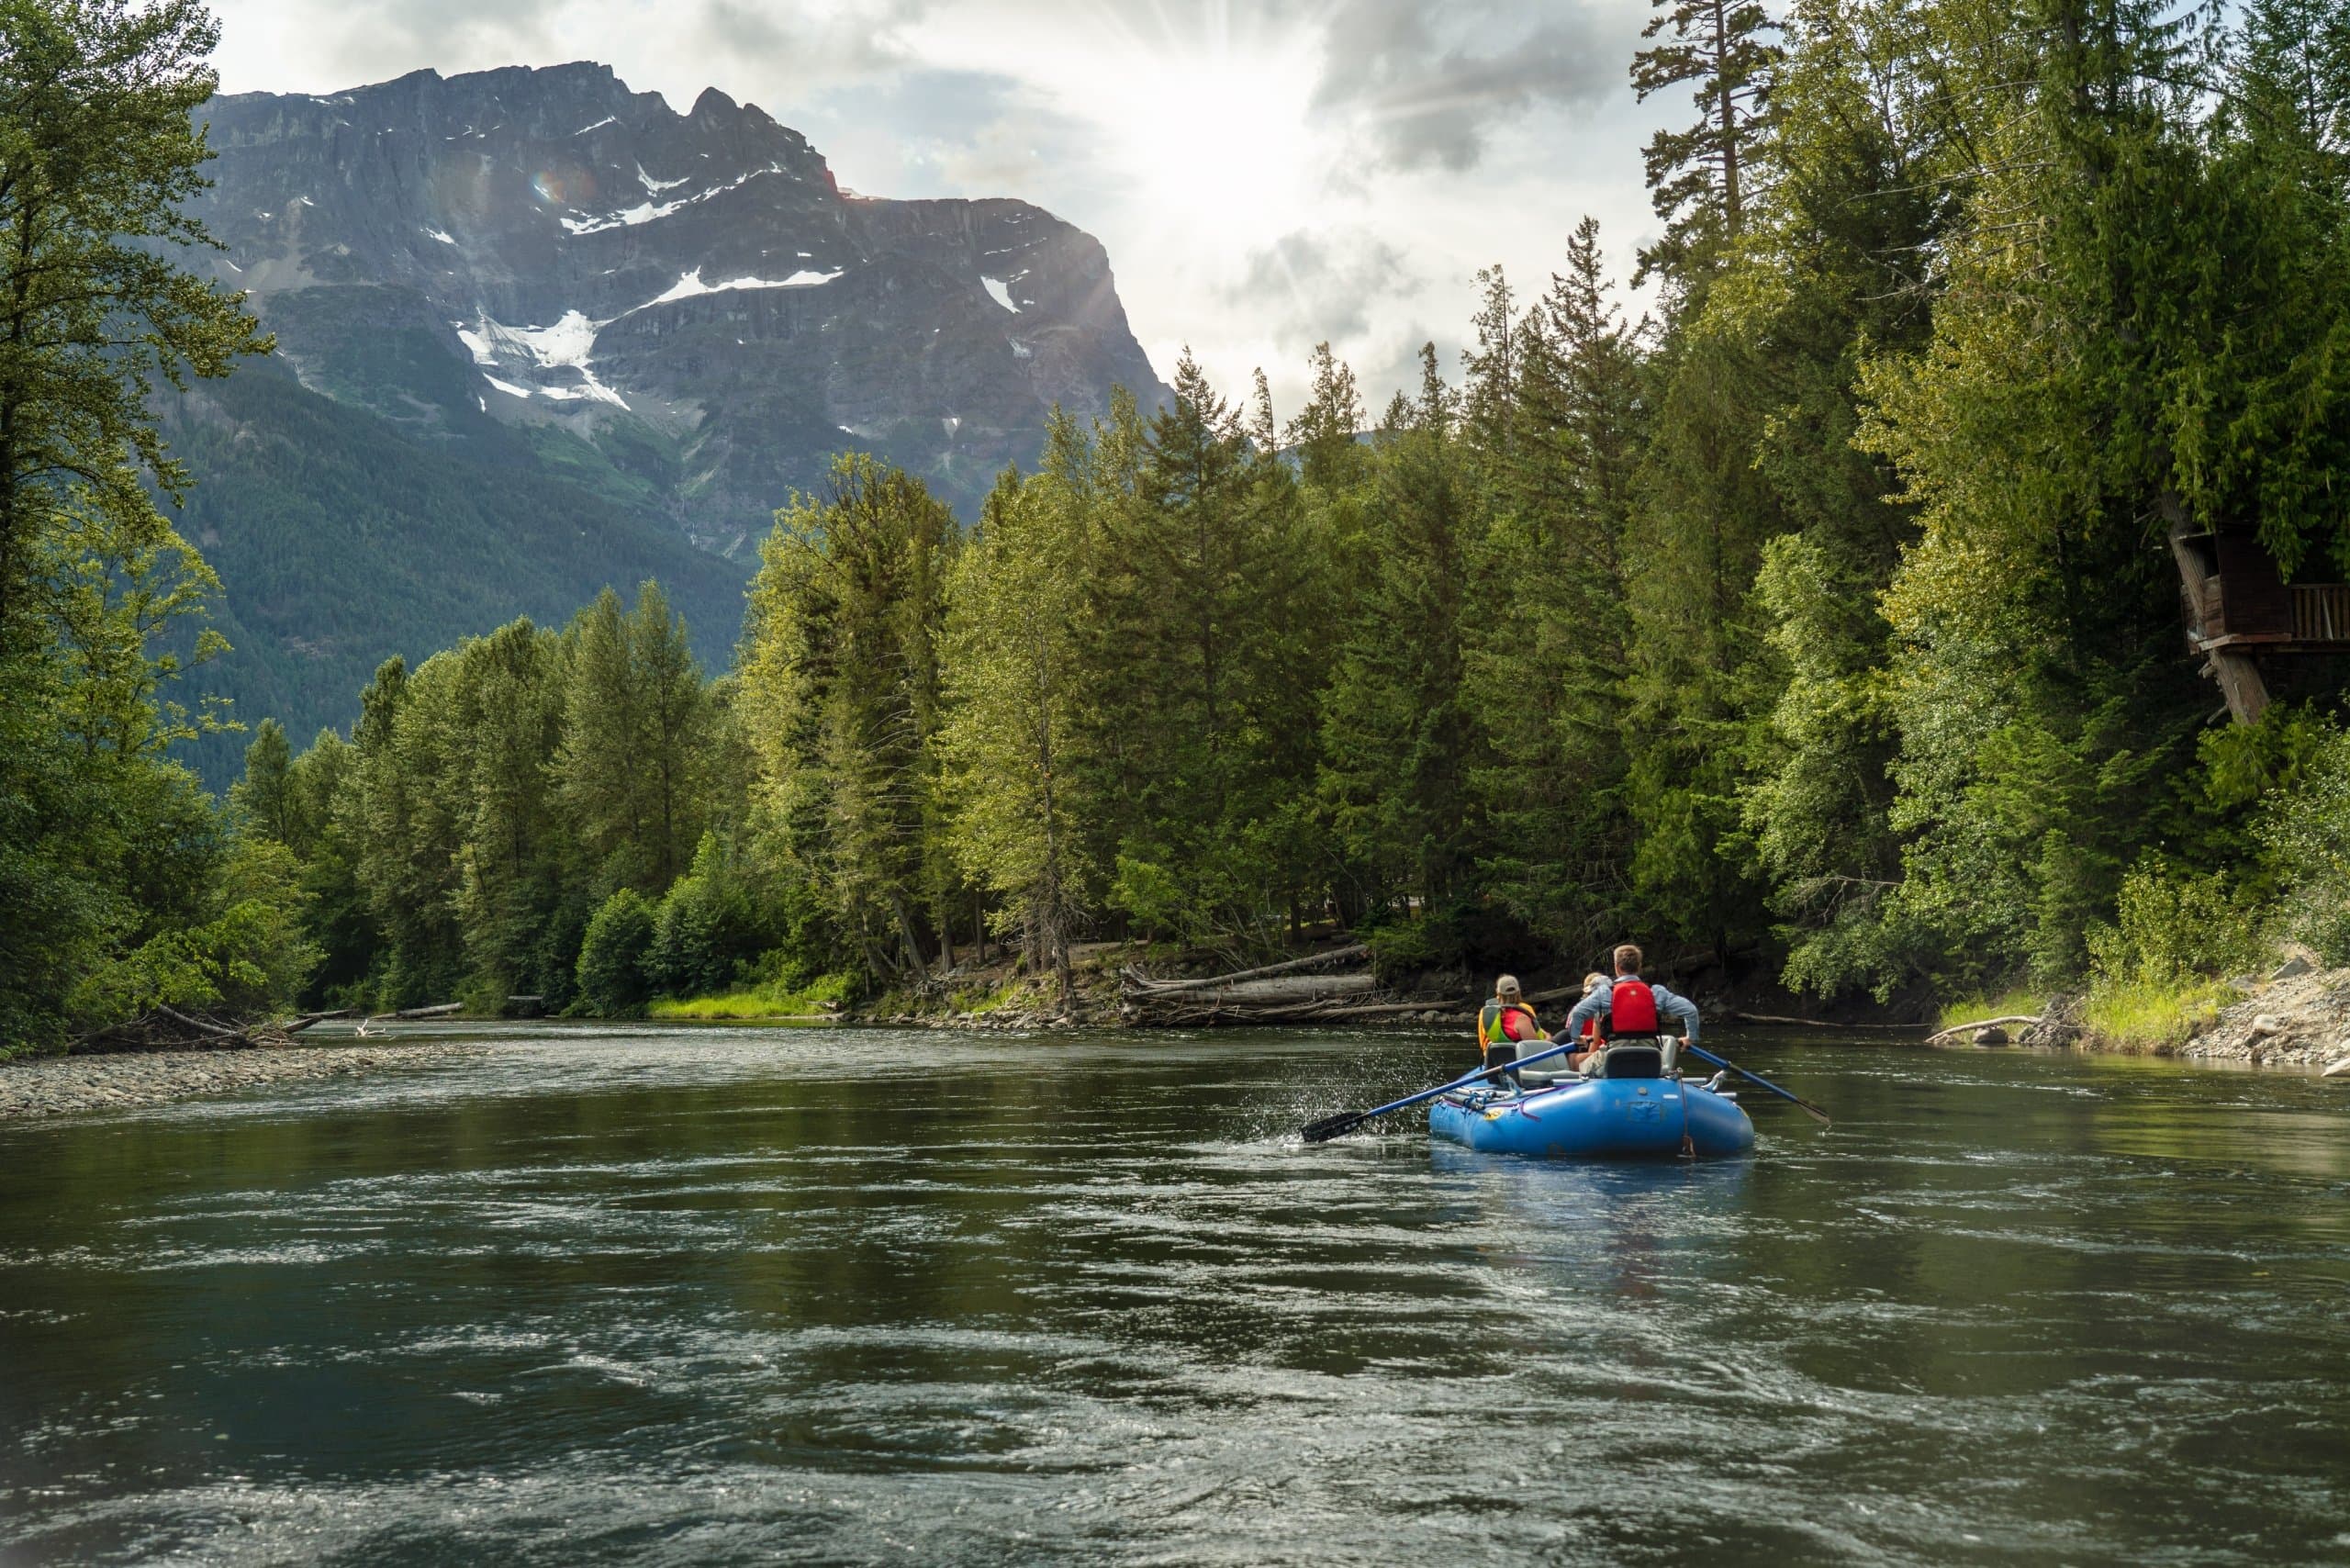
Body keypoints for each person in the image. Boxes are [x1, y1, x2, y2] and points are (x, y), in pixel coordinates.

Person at [1562, 944, 1702, 1072]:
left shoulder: (1606, 993)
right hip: (1650, 1058)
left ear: (1617, 967)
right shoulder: (1656, 992)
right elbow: (1690, 1011)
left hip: (1614, 1057)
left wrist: (1577, 1039)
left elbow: (1577, 1013)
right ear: (1639, 967)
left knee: (1578, 1064)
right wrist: (1690, 1038)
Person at [1476, 974, 1546, 1083]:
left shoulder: (1487, 1014)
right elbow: (1535, 1049)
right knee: (1564, 1036)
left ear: (1498, 994)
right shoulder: (1521, 1017)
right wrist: (1549, 1039)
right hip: (1522, 1067)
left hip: (1494, 1064)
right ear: (1518, 992)